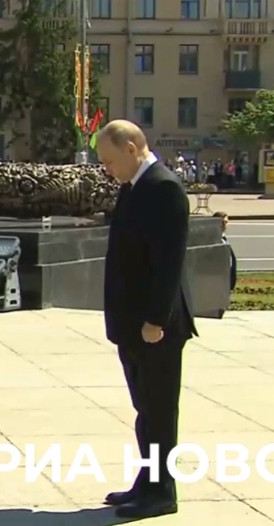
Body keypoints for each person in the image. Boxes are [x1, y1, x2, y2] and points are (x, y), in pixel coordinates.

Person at [95, 119, 197, 519]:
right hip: (133, 324)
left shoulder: (164, 188)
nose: (106, 168)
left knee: (159, 411)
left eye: (109, 160)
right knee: (145, 412)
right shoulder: (134, 187)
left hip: (157, 327)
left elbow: (169, 263)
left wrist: (156, 319)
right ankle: (148, 480)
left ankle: (163, 492)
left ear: (132, 149)